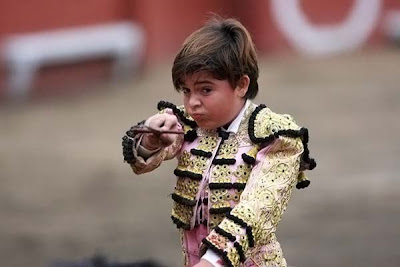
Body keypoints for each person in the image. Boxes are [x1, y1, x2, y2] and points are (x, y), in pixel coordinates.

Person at [122, 17, 316, 267]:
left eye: (205, 90)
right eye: (186, 90)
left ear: (241, 85)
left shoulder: (276, 138)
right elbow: (141, 163)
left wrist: (212, 261)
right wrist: (150, 139)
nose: (192, 102)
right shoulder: (186, 124)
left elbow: (256, 211)